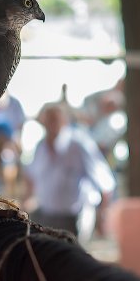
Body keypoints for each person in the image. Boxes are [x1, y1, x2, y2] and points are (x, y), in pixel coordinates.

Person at [25, 102, 116, 240]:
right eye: (47, 120)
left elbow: (105, 182)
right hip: (45, 216)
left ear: (64, 121)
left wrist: (102, 216)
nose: (50, 125)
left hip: (74, 219)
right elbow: (31, 177)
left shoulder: (79, 145)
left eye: (54, 120)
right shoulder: (40, 147)